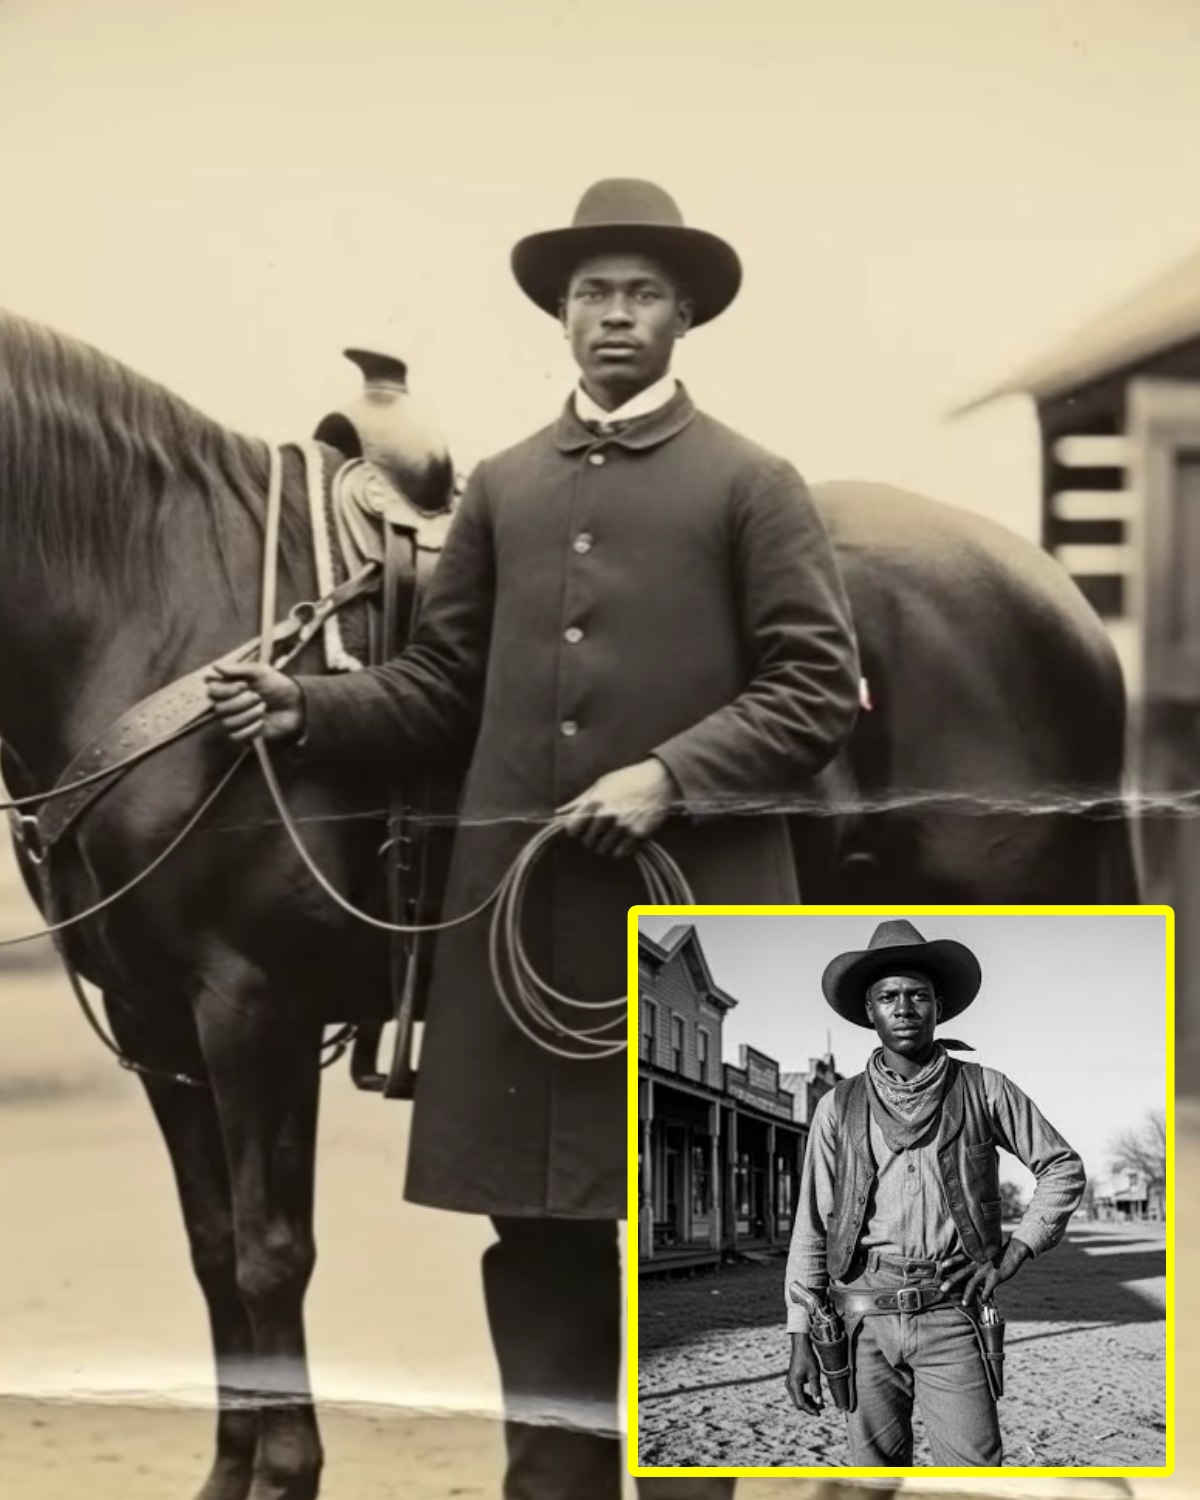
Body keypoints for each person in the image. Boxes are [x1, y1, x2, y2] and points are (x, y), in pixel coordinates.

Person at [209, 177, 862, 1500]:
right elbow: (439, 695)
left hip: (692, 925)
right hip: (528, 936)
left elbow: (813, 692)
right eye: (589, 295)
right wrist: (304, 706)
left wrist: (670, 778)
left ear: (683, 314)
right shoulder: (505, 487)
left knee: (694, 1235)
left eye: (637, 293)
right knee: (540, 1237)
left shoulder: (752, 485)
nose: (611, 315)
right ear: (563, 318)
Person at [784, 919, 1086, 1467]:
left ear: (938, 1007)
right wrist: (800, 1335)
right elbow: (812, 1224)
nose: (904, 1008)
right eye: (888, 997)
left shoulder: (984, 1087)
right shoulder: (837, 1105)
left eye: (918, 995)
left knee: (974, 1468)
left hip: (952, 1309)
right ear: (869, 1012)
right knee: (874, 1473)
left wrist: (1015, 1253)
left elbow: (1062, 1166)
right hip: (861, 1317)